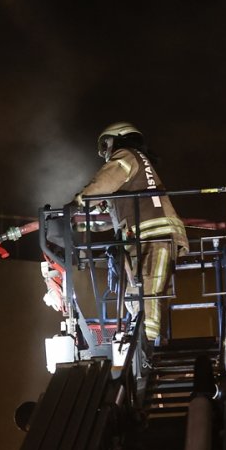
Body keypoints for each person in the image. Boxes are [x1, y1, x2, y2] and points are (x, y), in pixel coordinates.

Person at [74, 122, 188, 346]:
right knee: (137, 293)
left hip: (156, 235)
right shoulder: (132, 181)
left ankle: (148, 346)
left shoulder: (127, 156)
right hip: (146, 236)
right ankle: (144, 340)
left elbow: (101, 184)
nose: (104, 153)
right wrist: (78, 224)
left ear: (119, 138)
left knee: (149, 291)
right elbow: (109, 217)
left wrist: (78, 202)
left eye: (105, 145)